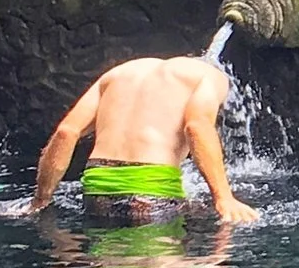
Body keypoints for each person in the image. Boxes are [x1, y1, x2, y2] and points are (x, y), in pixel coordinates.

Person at [32, 53, 256, 223]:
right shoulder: (210, 76)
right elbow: (196, 126)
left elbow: (66, 132)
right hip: (152, 186)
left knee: (109, 261)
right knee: (167, 265)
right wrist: (224, 197)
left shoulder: (117, 74)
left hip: (98, 185)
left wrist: (41, 199)